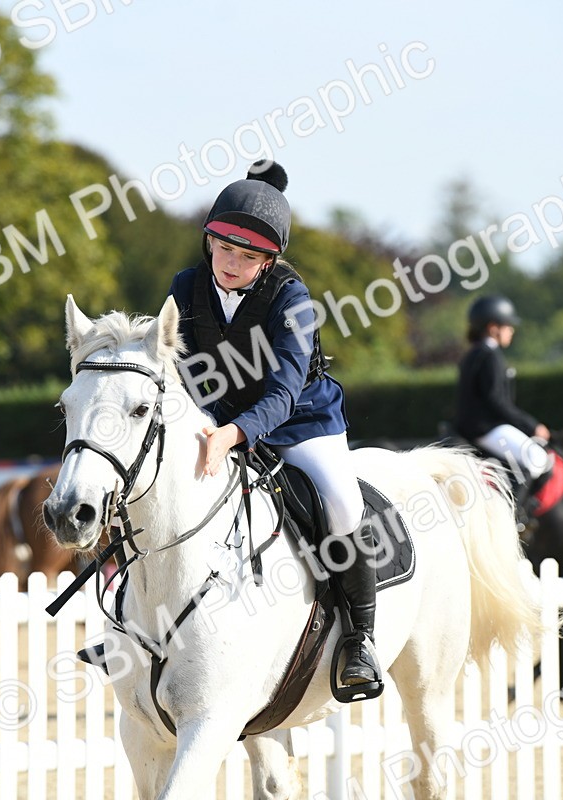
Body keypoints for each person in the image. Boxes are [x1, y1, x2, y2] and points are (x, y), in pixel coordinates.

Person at [166, 160, 381, 694]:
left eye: (248, 256)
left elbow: (282, 393)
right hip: (216, 417)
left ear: (269, 260)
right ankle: (135, 623)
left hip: (302, 421)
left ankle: (360, 639)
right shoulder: (185, 286)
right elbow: (170, 365)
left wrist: (232, 434)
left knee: (341, 502)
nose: (232, 263)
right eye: (224, 248)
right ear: (208, 241)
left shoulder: (293, 299)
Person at [455, 295, 554, 522]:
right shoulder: (490, 356)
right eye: (507, 326)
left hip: (475, 426)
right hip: (485, 428)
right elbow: (497, 402)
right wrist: (532, 426)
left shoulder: (475, 353)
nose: (511, 331)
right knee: (537, 458)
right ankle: (512, 519)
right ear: (492, 328)